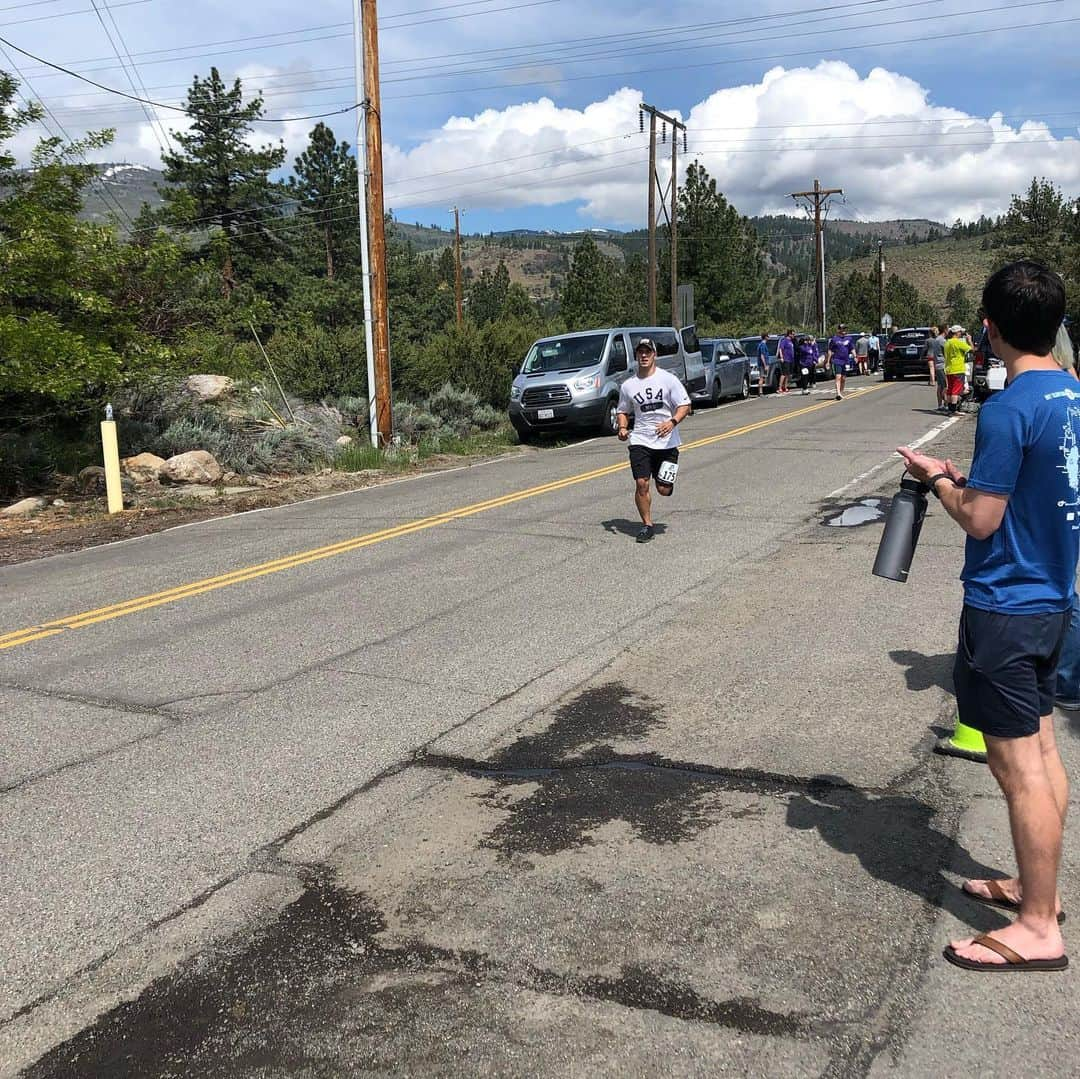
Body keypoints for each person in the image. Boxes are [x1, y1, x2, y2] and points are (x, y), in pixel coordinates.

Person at [899, 260, 1077, 973]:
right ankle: (1039, 891)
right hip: (1056, 602)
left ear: (990, 327)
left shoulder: (1007, 408)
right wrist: (975, 477)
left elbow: (980, 521)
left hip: (1005, 607)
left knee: (1017, 769)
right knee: (1043, 755)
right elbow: (1036, 485)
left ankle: (1037, 925)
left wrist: (939, 478)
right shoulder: (1070, 391)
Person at [617, 338, 691, 544]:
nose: (643, 355)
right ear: (636, 356)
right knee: (641, 483)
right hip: (641, 439)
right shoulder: (628, 385)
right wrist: (623, 427)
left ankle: (665, 482)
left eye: (647, 352)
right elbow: (623, 410)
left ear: (654, 355)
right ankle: (647, 526)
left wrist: (672, 421)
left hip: (667, 441)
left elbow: (685, 405)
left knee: (663, 490)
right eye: (640, 352)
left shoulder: (668, 379)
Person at [943, 324, 972, 414]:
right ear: (957, 333)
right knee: (955, 391)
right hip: (958, 369)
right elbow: (971, 350)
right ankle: (953, 410)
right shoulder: (958, 342)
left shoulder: (947, 342)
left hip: (949, 368)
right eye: (960, 332)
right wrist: (969, 341)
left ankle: (949, 408)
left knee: (950, 390)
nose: (961, 334)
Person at [826, 322, 852, 400]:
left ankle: (841, 392)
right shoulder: (834, 339)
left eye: (845, 328)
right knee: (838, 377)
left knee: (843, 378)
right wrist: (828, 361)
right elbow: (830, 350)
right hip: (837, 360)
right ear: (839, 330)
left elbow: (852, 348)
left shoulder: (849, 339)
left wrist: (855, 356)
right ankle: (838, 393)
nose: (844, 330)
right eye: (842, 329)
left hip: (845, 360)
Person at [928, 325, 947, 412]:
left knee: (940, 386)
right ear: (945, 330)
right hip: (942, 364)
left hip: (938, 364)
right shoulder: (942, 341)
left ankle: (940, 405)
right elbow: (947, 352)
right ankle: (946, 404)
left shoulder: (936, 340)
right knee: (945, 386)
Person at [777, 329, 795, 394]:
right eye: (792, 334)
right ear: (789, 334)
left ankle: (785, 387)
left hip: (790, 360)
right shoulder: (784, 341)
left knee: (787, 374)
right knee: (784, 374)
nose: (793, 335)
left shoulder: (791, 341)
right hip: (786, 359)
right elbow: (781, 349)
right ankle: (779, 388)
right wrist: (782, 357)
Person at [755, 333, 770, 398]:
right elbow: (762, 356)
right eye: (768, 336)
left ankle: (761, 392)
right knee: (761, 378)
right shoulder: (762, 345)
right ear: (765, 337)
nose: (768, 337)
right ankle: (760, 393)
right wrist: (765, 365)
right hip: (762, 364)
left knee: (763, 378)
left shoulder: (762, 344)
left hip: (763, 364)